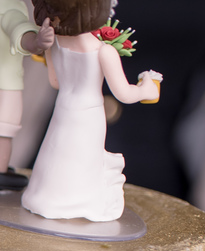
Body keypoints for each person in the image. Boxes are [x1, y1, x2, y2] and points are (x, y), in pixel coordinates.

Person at [20, 0, 161, 221]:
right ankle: (79, 202)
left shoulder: (54, 43)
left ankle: (47, 197)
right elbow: (124, 94)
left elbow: (55, 81)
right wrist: (147, 89)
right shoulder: (103, 51)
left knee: (59, 153)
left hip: (63, 108)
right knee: (82, 158)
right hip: (89, 113)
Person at [0, 0, 54, 191]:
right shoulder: (12, 8)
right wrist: (37, 42)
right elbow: (19, 31)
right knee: (3, 127)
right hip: (6, 82)